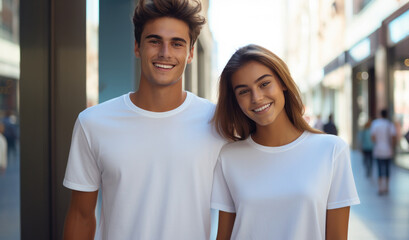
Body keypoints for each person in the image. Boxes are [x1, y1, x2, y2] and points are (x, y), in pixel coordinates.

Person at [63, 0, 225, 239]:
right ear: (137, 47)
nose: (165, 53)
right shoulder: (93, 123)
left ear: (190, 53)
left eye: (177, 43)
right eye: (154, 41)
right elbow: (81, 216)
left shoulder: (216, 123)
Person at [211, 44, 360, 240]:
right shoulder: (229, 157)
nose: (256, 97)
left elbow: (338, 237)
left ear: (282, 83)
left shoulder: (331, 150)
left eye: (264, 84)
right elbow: (224, 236)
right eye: (244, 91)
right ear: (235, 100)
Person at [370, 109, 396, 195]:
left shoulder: (375, 124)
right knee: (387, 168)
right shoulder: (390, 124)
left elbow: (373, 137)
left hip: (378, 149)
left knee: (380, 168)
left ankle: (380, 187)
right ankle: (387, 187)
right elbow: (393, 138)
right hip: (388, 150)